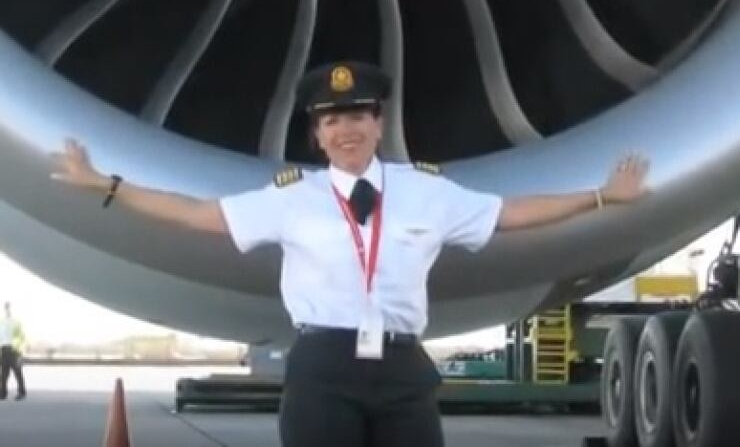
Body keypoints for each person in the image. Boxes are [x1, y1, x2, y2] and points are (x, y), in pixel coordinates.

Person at [50, 61, 648, 446]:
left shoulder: (427, 192)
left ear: (378, 123)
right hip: (323, 367)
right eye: (331, 120)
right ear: (316, 134)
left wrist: (600, 196)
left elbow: (511, 214)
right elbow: (195, 213)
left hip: (402, 369)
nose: (346, 130)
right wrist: (109, 185)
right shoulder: (293, 199)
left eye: (357, 116)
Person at [0, 302, 26, 401]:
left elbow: (22, 337)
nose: (7, 310)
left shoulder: (16, 322)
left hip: (14, 350)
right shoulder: (1, 322)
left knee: (17, 373)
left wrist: (20, 352)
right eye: (6, 308)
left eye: (9, 308)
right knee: (4, 374)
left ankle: (21, 392)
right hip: (4, 349)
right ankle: (3, 393)